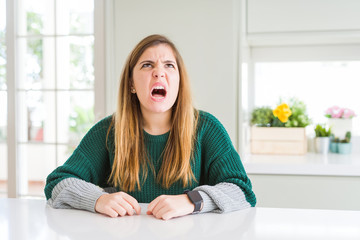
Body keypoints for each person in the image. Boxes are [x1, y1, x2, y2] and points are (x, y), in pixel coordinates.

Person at [45, 34, 256, 220]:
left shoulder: (207, 129)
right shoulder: (108, 131)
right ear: (131, 84)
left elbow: (242, 191)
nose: (158, 72)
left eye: (169, 65)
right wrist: (98, 199)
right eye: (147, 65)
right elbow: (58, 183)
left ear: (179, 82)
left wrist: (192, 201)